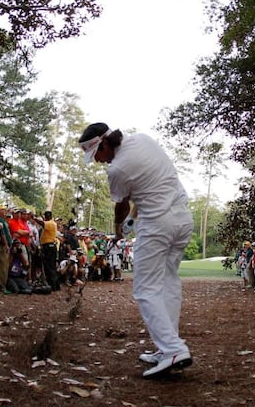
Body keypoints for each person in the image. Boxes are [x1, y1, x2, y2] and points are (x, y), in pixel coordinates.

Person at [79, 122, 193, 379]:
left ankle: (173, 349)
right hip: (183, 218)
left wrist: (119, 228)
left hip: (157, 227)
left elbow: (121, 205)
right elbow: (150, 187)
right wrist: (131, 219)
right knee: (168, 283)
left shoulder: (117, 169)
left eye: (96, 154)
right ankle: (167, 347)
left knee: (145, 289)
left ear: (105, 144)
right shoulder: (143, 140)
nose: (97, 161)